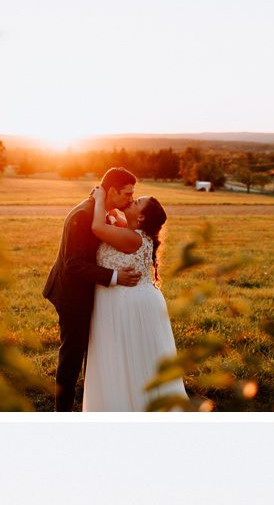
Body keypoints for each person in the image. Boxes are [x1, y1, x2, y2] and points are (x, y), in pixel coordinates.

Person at [42, 167, 143, 411]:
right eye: (128, 194)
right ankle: (62, 413)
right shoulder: (84, 215)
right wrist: (116, 276)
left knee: (93, 352)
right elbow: (74, 263)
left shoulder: (102, 211)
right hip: (72, 296)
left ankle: (94, 402)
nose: (131, 198)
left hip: (89, 293)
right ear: (112, 191)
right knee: (72, 357)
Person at [81, 186, 188, 411]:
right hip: (126, 301)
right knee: (128, 361)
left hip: (130, 305)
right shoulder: (129, 231)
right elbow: (115, 223)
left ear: (140, 216)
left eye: (137, 201)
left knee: (134, 360)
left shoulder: (133, 238)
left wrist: (100, 198)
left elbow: (97, 227)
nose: (131, 201)